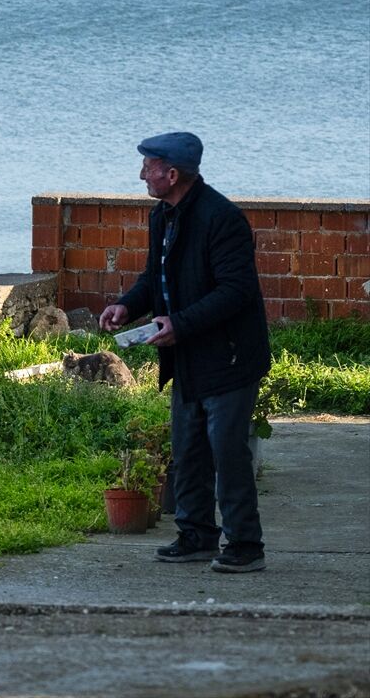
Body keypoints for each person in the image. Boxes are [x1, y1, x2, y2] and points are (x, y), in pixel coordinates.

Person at [99, 131, 271, 573]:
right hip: (188, 355)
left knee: (227, 451)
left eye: (148, 166)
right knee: (188, 448)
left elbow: (236, 291)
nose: (141, 174)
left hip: (229, 357)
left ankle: (245, 545)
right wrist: (127, 306)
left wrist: (181, 323)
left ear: (172, 174)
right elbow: (154, 278)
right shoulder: (163, 215)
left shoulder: (222, 218)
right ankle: (196, 535)